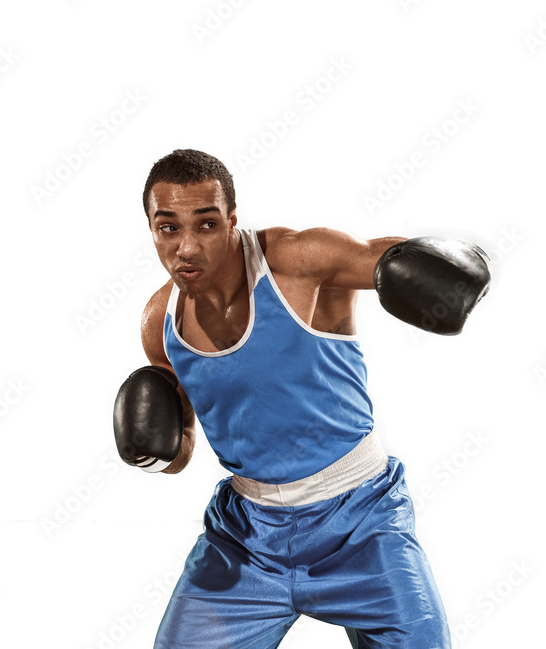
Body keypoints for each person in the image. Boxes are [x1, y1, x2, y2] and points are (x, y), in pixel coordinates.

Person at [113, 149, 490, 648]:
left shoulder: (295, 262)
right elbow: (181, 450)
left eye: (205, 225)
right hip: (247, 540)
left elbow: (378, 257)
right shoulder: (160, 322)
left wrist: (447, 267)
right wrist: (155, 452)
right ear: (151, 228)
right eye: (168, 228)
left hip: (361, 523)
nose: (186, 246)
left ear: (231, 220)